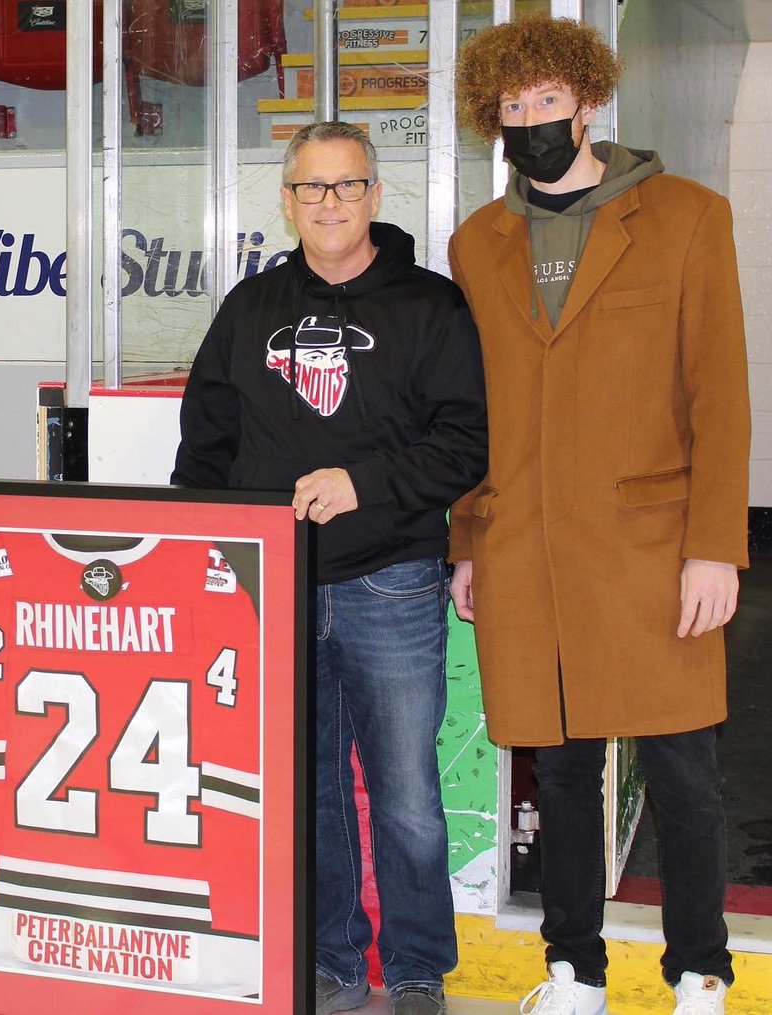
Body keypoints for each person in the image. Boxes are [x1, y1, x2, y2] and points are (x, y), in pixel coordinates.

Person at [449, 16, 750, 1015]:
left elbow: (721, 393)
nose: (531, 120)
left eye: (547, 100)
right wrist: (468, 543)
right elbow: (468, 410)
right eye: (512, 107)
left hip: (654, 551)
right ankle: (573, 968)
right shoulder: (477, 245)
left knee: (685, 780)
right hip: (526, 547)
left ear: (587, 102)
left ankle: (700, 969)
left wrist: (716, 547)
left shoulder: (688, 217)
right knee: (563, 778)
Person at [172, 120, 488, 1015]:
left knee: (406, 794)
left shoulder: (430, 306)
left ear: (376, 197)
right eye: (311, 188)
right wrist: (205, 550)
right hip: (274, 585)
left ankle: (420, 967)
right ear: (286, 199)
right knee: (310, 790)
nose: (328, 204)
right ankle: (335, 960)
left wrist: (365, 483)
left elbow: (469, 441)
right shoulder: (251, 306)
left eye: (346, 186)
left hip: (390, 580)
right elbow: (208, 439)